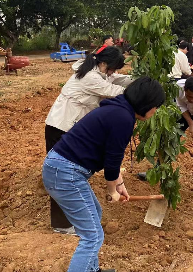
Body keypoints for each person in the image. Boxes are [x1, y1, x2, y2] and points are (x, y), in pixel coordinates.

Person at [42, 77, 165, 272]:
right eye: (155, 107)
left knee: (95, 215)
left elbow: (110, 155)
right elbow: (112, 160)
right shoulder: (123, 118)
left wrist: (120, 184)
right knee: (93, 237)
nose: (155, 111)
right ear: (146, 103)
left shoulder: (119, 110)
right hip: (65, 173)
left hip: (61, 169)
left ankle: (92, 270)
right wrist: (112, 190)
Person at [44, 46, 132, 235]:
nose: (113, 73)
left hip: (67, 126)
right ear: (103, 63)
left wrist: (138, 78)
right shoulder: (90, 77)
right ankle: (61, 224)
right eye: (112, 68)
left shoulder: (95, 70)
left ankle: (74, 221)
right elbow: (113, 89)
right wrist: (139, 91)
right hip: (60, 126)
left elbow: (116, 79)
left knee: (69, 178)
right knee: (62, 178)